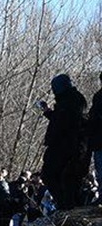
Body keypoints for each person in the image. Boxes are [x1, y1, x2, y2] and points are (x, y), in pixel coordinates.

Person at [39, 74, 89, 210]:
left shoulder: (72, 101)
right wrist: (49, 113)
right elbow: (62, 119)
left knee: (59, 177)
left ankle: (67, 207)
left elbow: (67, 122)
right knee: (58, 177)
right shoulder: (69, 100)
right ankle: (65, 206)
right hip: (65, 145)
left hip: (66, 146)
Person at [88, 71, 102, 201]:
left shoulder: (98, 97)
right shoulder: (98, 97)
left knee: (101, 171)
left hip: (98, 141)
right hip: (98, 141)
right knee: (100, 172)